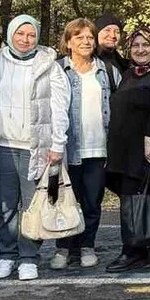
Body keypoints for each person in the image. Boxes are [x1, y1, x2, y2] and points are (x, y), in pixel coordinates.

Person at [0, 15, 69, 281]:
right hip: (3, 145)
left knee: (33, 205)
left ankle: (29, 257)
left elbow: (59, 107)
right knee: (5, 205)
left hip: (37, 148)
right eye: (20, 34)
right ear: (10, 34)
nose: (25, 39)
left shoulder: (49, 65)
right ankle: (6, 255)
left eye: (31, 35)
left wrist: (57, 143)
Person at [105, 28, 150, 272]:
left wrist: (149, 141)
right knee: (130, 198)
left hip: (147, 148)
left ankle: (133, 251)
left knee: (136, 198)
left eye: (146, 44)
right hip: (123, 149)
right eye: (135, 45)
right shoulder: (129, 74)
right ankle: (138, 246)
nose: (140, 49)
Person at [51, 19, 120, 271]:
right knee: (65, 200)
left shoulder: (107, 71)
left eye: (89, 37)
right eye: (78, 37)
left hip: (98, 148)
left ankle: (87, 246)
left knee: (92, 202)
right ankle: (63, 247)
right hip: (67, 148)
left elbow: (119, 106)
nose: (85, 42)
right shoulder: (57, 70)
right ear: (68, 42)